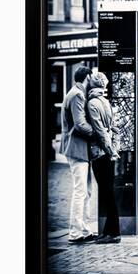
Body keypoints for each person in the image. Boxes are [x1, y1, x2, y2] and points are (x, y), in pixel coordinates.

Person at [59, 66, 96, 244]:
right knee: (81, 191)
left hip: (80, 148)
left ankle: (85, 230)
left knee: (86, 191)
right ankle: (75, 233)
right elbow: (80, 124)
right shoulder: (77, 95)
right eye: (91, 77)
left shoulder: (76, 93)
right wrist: (97, 133)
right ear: (87, 77)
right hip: (76, 148)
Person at [87, 72, 121, 244]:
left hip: (101, 153)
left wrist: (109, 150)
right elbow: (113, 127)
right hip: (108, 152)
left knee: (107, 193)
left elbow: (100, 131)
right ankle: (109, 231)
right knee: (108, 192)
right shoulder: (105, 102)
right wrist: (114, 148)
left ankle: (114, 233)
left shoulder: (92, 103)